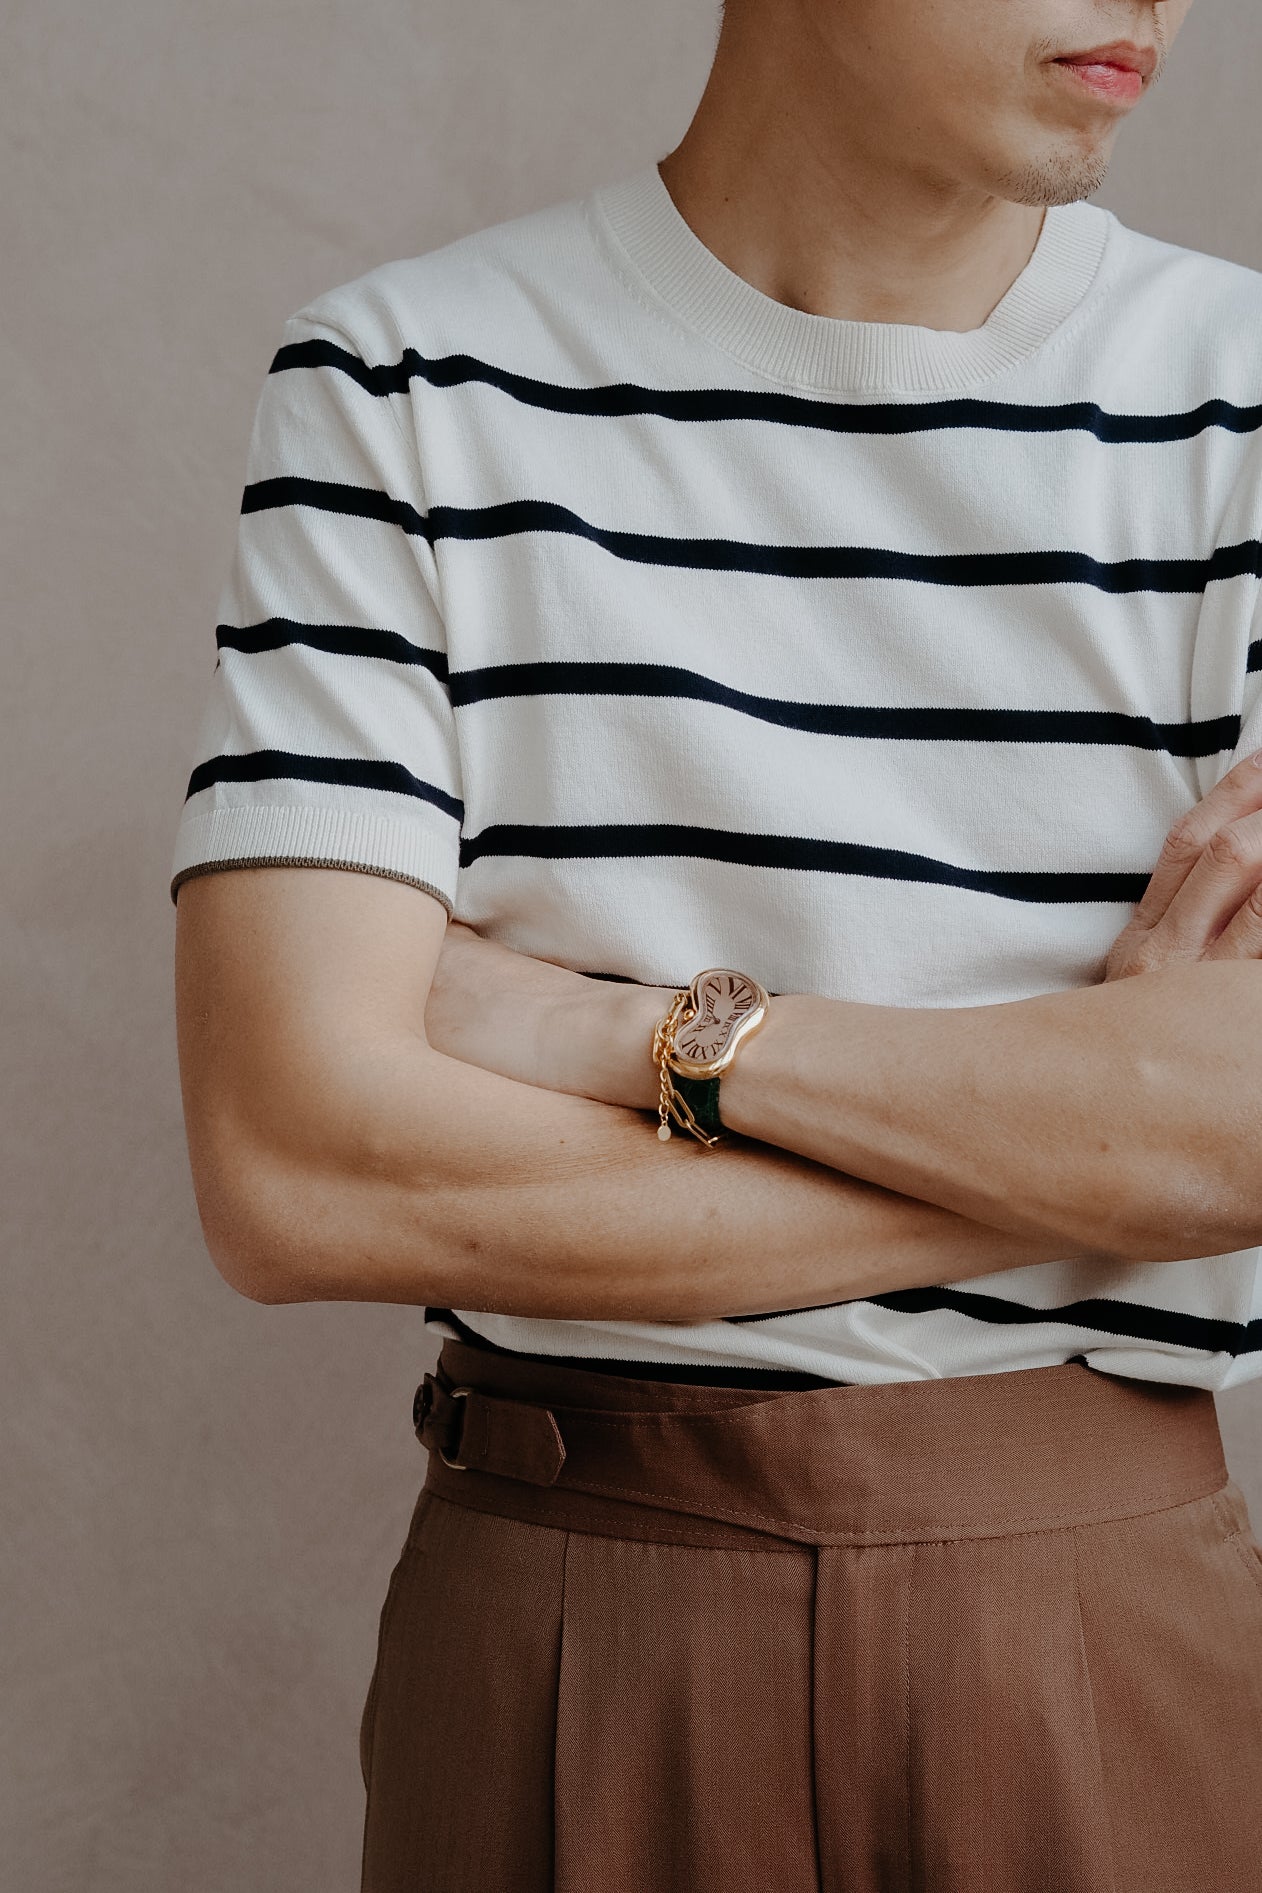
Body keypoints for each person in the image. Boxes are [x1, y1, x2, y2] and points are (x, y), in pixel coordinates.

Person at [171, 0, 1262, 1885]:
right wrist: (1103, 1149)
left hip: (1088, 1618)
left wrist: (630, 1034)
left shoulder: (1241, 396)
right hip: (564, 1595)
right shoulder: (403, 381)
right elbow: (296, 1174)